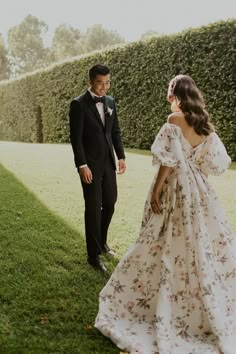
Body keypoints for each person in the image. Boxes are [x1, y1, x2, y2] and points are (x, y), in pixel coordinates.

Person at [95, 75, 236, 353]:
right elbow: (214, 163)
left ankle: (165, 295)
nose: (166, 96)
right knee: (199, 240)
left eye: (169, 91)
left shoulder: (173, 122)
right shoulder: (204, 125)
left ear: (176, 94)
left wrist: (158, 190)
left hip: (176, 187)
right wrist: (196, 174)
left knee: (163, 235)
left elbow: (167, 162)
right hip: (199, 188)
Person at [69, 64, 126, 273]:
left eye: (107, 82)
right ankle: (93, 255)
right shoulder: (78, 104)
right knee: (93, 208)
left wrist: (121, 156)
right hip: (90, 166)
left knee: (110, 203)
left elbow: (115, 132)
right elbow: (76, 139)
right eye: (100, 83)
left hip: (108, 164)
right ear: (90, 82)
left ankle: (102, 242)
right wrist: (82, 165)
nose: (104, 87)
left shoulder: (110, 102)